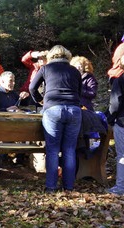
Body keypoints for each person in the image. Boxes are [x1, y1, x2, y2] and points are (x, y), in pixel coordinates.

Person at [29, 45, 82, 193]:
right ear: (67, 56)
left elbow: (32, 87)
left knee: (52, 150)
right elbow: (79, 92)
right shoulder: (75, 71)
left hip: (53, 109)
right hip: (74, 110)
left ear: (51, 56)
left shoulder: (46, 69)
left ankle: (51, 187)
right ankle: (69, 186)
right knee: (70, 149)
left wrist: (40, 100)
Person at [107, 56, 124, 195]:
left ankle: (120, 187)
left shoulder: (120, 80)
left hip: (122, 122)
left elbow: (115, 103)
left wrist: (109, 118)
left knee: (122, 155)